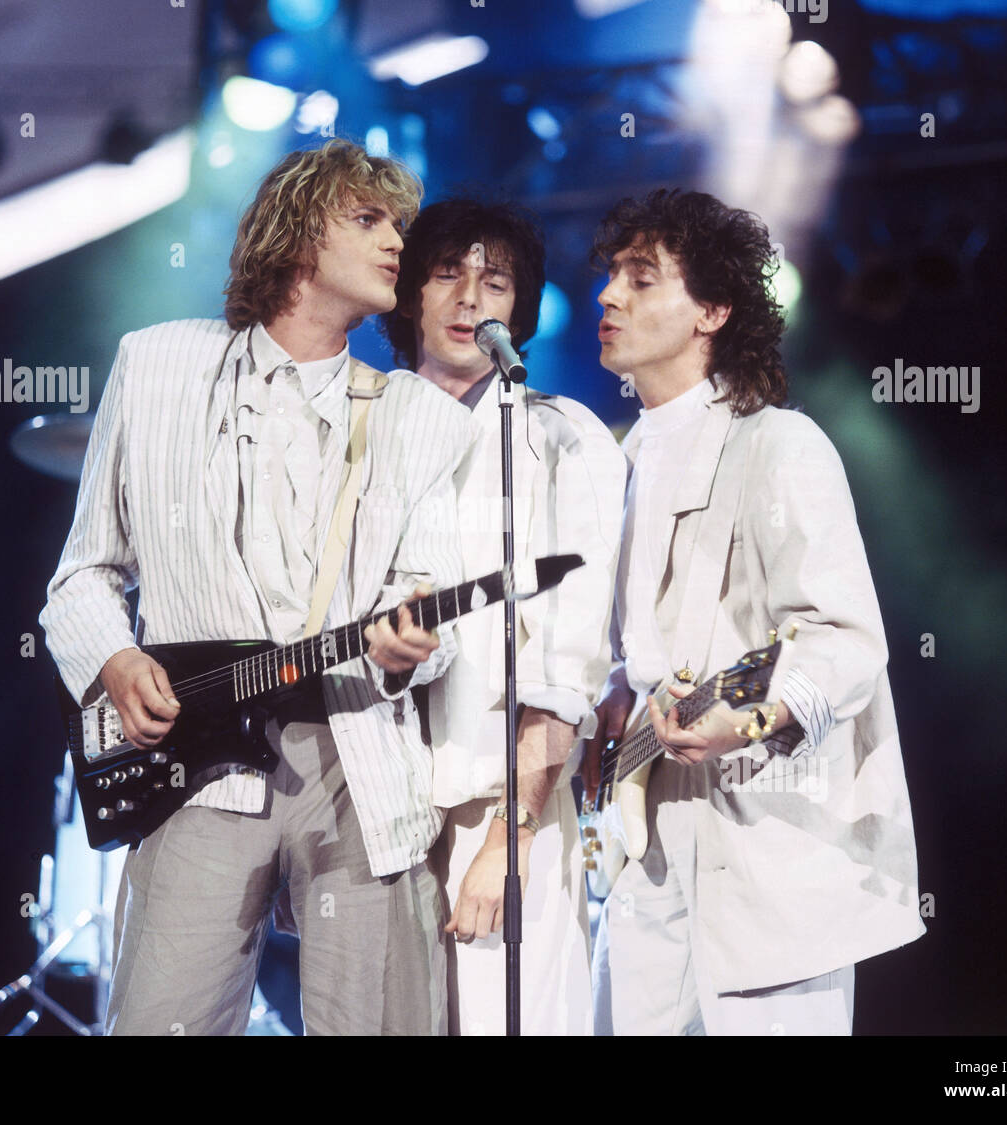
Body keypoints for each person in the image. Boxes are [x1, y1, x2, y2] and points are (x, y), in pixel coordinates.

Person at [39, 139, 474, 1036]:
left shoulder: (421, 419)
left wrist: (414, 645)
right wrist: (113, 658)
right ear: (299, 232)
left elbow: (439, 604)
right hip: (198, 766)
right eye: (368, 219)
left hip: (358, 758)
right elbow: (82, 573)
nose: (398, 240)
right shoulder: (156, 365)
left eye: (398, 221)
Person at [584, 189, 924, 1036]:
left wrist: (757, 716)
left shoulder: (780, 444)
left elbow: (847, 638)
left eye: (640, 277)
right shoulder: (615, 463)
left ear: (713, 309)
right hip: (646, 841)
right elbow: (638, 650)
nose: (608, 297)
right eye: (611, 276)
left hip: (770, 844)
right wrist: (617, 697)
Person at [380, 198, 626, 1035]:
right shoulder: (360, 430)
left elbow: (569, 660)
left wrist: (508, 839)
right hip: (371, 817)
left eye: (495, 279)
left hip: (499, 804)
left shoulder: (560, 439)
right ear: (409, 292)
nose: (468, 298)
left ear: (518, 309)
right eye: (446, 272)